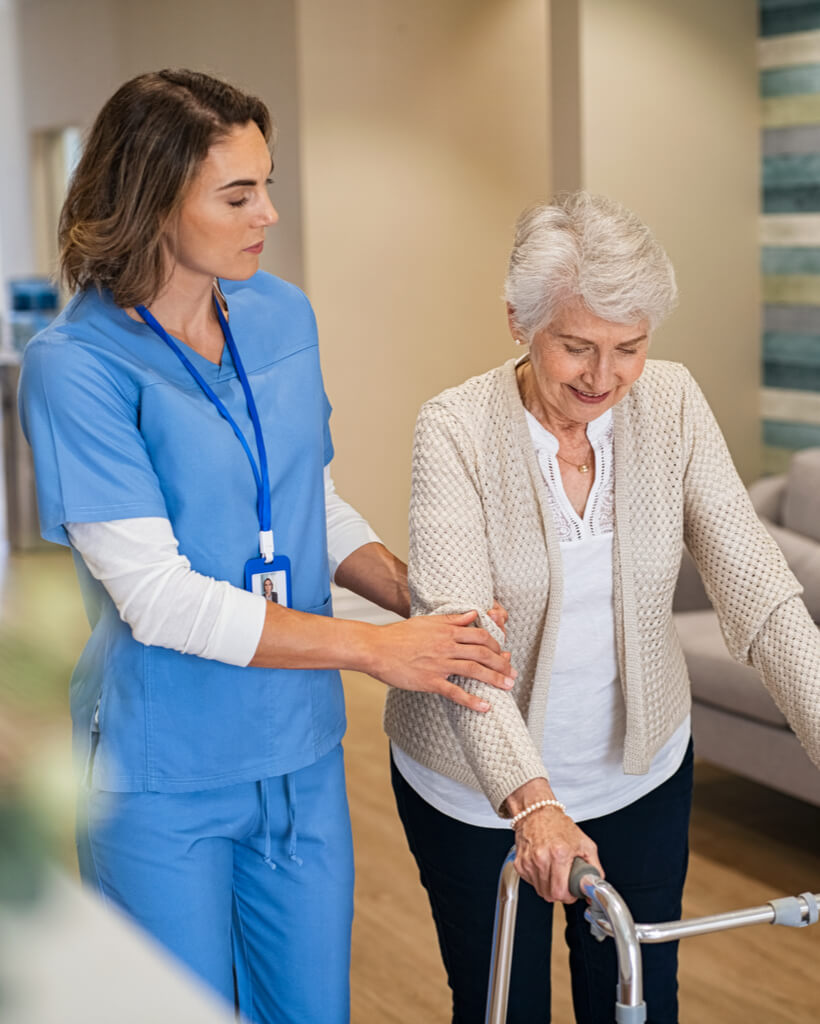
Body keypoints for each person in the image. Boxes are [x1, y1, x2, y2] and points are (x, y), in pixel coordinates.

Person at [17, 69, 516, 1024]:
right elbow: (156, 596)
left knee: (311, 1010)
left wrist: (415, 597)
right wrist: (379, 649)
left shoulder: (282, 313)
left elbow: (305, 500)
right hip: (162, 770)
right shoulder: (73, 368)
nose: (269, 214)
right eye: (238, 194)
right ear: (153, 199)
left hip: (298, 754)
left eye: (267, 184)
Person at [384, 191, 820, 1023]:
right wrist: (535, 802)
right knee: (504, 1008)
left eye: (630, 348)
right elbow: (465, 645)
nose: (604, 377)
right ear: (519, 321)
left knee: (639, 1003)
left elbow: (757, 591)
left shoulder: (675, 403)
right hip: (478, 789)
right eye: (576, 346)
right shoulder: (454, 429)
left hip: (637, 770)